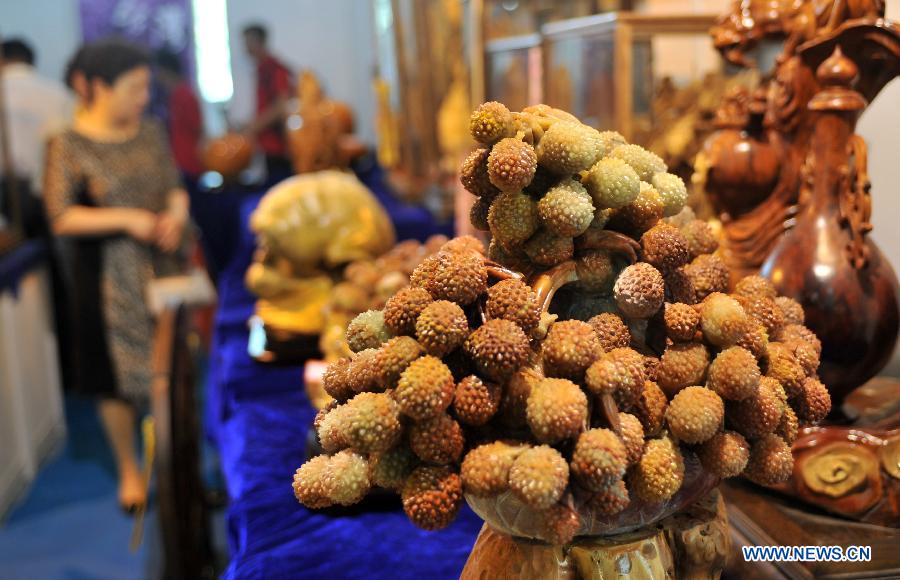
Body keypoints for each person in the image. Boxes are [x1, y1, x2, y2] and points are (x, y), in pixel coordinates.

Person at [43, 39, 190, 512]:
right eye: (134, 88)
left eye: (146, 87)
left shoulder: (149, 131)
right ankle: (129, 466)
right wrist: (127, 219)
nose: (143, 98)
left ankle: (174, 459)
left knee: (172, 367)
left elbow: (174, 185)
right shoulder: (67, 143)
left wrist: (176, 214)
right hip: (105, 278)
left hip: (163, 266)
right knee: (114, 378)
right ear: (99, 88)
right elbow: (60, 216)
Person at [241, 23, 293, 178]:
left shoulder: (274, 69)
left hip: (279, 146)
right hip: (267, 145)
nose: (246, 48)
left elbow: (281, 105)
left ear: (258, 42)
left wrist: (254, 126)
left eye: (248, 43)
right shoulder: (262, 69)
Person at [154, 48, 204, 181]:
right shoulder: (173, 95)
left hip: (189, 163)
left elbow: (198, 128)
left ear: (165, 69)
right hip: (178, 162)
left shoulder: (185, 95)